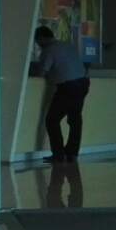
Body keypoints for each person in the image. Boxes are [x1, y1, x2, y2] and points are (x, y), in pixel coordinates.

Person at [32, 26, 88, 164]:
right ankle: (72, 153)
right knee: (75, 120)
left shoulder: (49, 50)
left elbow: (41, 73)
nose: (38, 44)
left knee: (52, 120)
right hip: (83, 83)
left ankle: (59, 154)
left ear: (42, 38)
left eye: (38, 41)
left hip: (67, 87)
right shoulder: (66, 46)